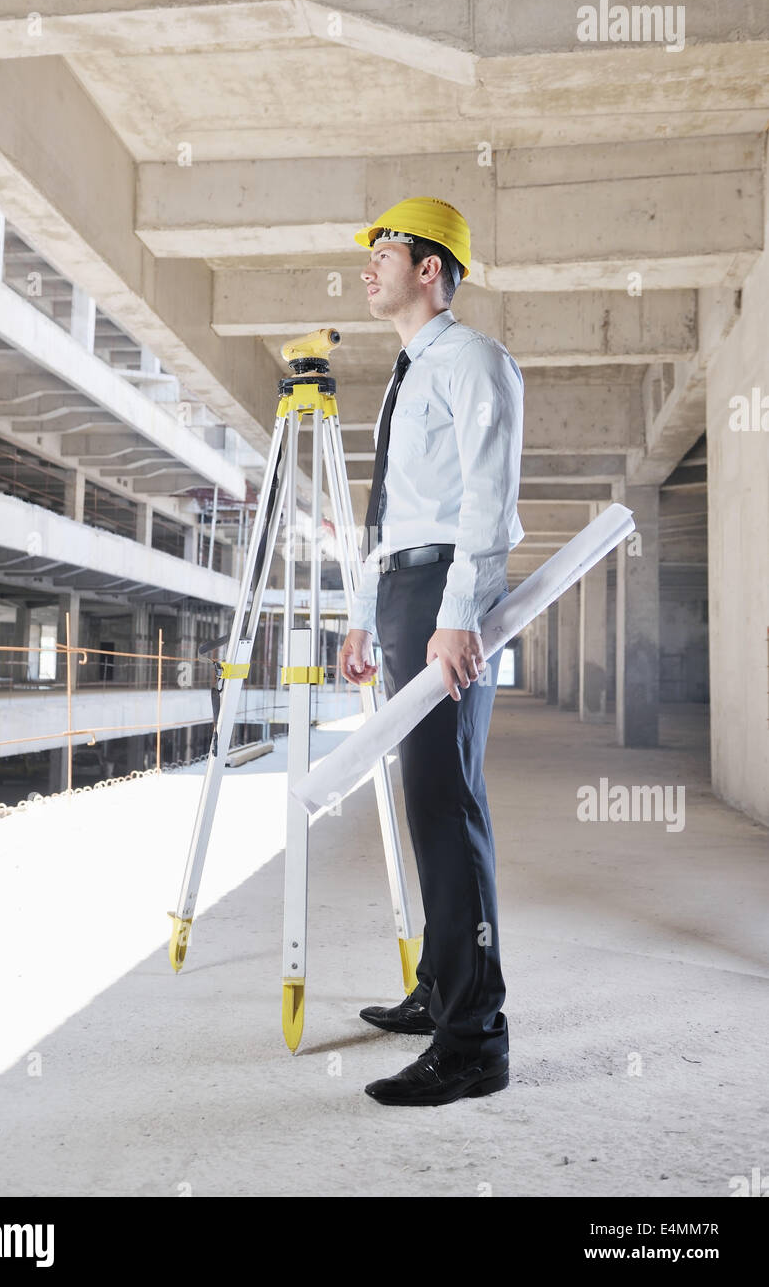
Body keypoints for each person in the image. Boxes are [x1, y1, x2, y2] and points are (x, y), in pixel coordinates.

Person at [338, 196, 525, 1107]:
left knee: (445, 806)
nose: (369, 264)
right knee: (431, 803)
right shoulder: (410, 372)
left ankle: (473, 1042)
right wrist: (364, 615)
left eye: (386, 250)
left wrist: (456, 616)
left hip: (448, 589)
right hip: (408, 591)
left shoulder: (475, 362)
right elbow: (396, 514)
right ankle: (444, 986)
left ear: (432, 269)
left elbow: (484, 502)